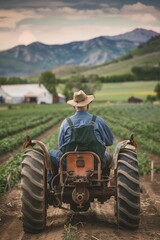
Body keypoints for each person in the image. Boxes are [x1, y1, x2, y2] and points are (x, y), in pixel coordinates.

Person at [49, 90, 114, 176]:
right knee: (108, 156)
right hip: (96, 163)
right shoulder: (98, 121)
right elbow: (110, 141)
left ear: (74, 106)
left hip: (68, 163)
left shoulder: (66, 122)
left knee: (50, 154)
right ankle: (103, 178)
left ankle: (55, 181)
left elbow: (61, 145)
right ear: (88, 104)